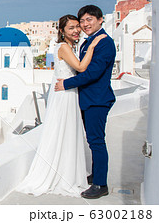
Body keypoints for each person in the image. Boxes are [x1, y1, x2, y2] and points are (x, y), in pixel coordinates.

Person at [15, 14, 106, 197]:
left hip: (69, 92)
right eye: (71, 28)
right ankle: (65, 174)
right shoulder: (64, 47)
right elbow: (80, 68)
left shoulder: (70, 46)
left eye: (77, 27)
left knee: (67, 132)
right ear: (62, 31)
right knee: (63, 130)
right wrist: (93, 46)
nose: (76, 30)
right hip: (65, 95)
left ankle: (68, 171)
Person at [55, 5, 116, 199]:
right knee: (92, 140)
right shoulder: (86, 42)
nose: (84, 24)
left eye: (89, 19)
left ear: (100, 20)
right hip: (86, 99)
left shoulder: (105, 43)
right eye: (82, 21)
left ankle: (101, 184)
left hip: (97, 100)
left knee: (96, 141)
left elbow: (92, 73)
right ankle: (95, 175)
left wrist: (66, 84)